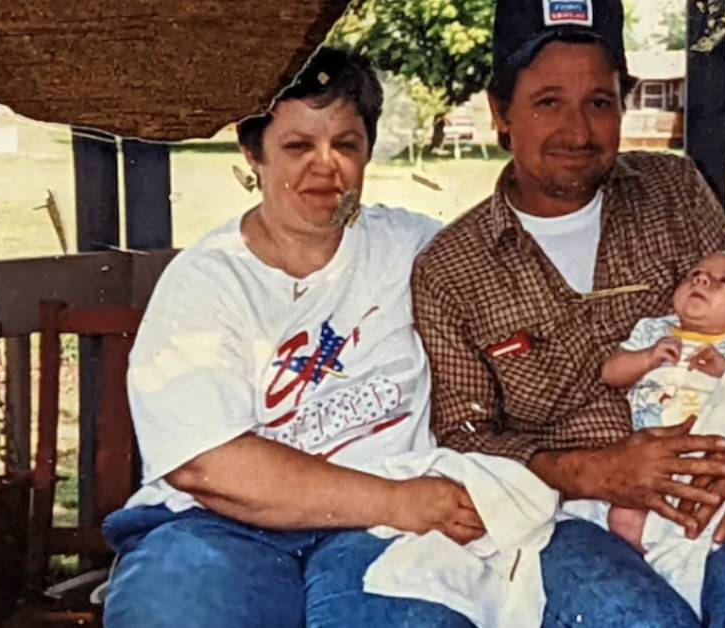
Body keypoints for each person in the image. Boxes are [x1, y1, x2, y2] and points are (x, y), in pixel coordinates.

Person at [411, 0, 725, 625]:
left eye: (600, 101)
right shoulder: (453, 267)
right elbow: (462, 436)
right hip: (559, 516)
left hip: (711, 485)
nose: (578, 130)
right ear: (501, 113)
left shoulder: (672, 190)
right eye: (548, 101)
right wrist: (596, 472)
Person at [102, 47, 483, 627]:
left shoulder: (413, 249)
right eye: (298, 146)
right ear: (252, 153)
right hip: (221, 526)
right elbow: (208, 467)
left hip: (378, 533)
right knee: (178, 608)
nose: (325, 167)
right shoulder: (208, 281)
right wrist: (399, 501)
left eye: (346, 145)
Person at [602, 250, 725, 614]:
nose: (702, 280)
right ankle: (659, 578)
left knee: (715, 523)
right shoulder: (654, 331)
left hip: (709, 457)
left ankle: (686, 573)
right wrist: (646, 359)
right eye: (696, 274)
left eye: (723, 281)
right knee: (622, 518)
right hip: (651, 456)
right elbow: (611, 373)